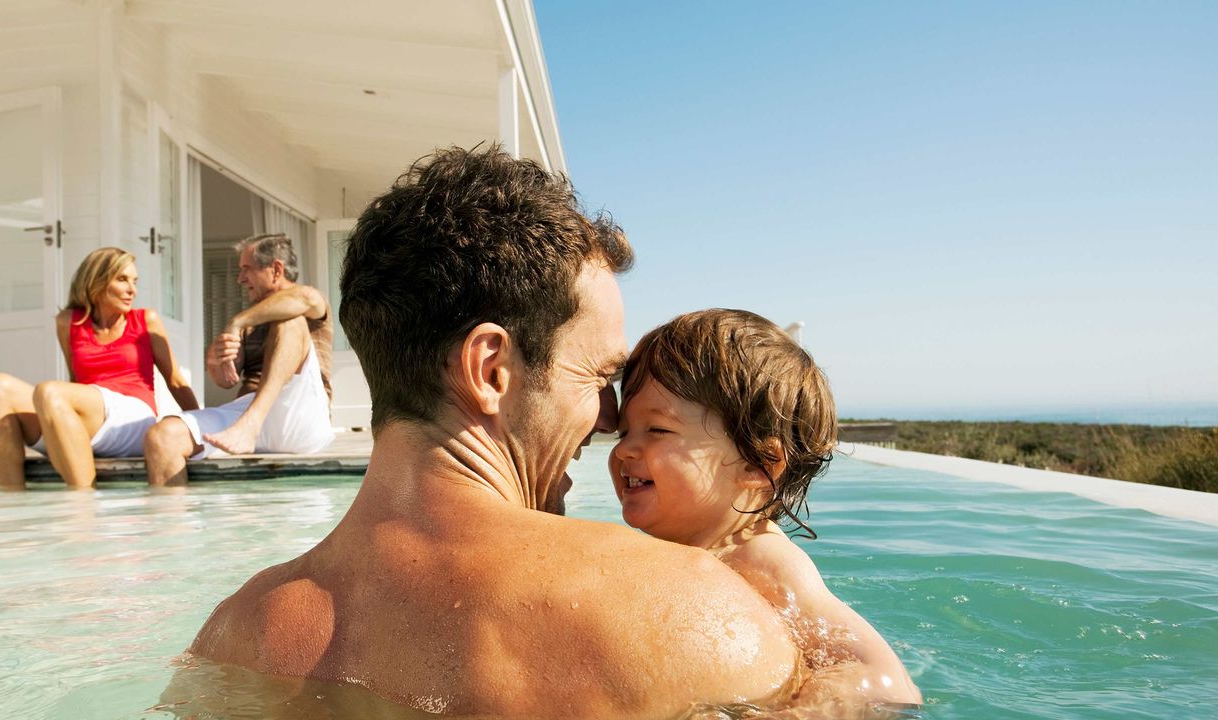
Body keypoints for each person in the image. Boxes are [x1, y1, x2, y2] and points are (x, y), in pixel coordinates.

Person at [186, 147, 805, 719]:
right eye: (598, 375)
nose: (613, 418)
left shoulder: (232, 635)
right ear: (490, 369)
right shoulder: (691, 614)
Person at [609, 308, 922, 714]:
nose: (623, 450)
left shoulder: (760, 559)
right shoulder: (695, 553)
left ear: (758, 465)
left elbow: (879, 678)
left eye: (657, 430)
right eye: (623, 431)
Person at [0, 247, 198, 490]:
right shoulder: (67, 321)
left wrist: (199, 430)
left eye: (134, 281)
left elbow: (175, 380)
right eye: (122, 280)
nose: (132, 290)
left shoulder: (146, 319)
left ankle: (82, 503)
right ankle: (10, 499)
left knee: (50, 391)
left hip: (133, 417)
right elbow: (76, 380)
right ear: (97, 280)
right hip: (91, 414)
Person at [143, 234, 334, 486]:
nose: (240, 278)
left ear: (276, 269)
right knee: (162, 436)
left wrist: (236, 322)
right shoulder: (250, 321)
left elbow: (305, 299)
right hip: (246, 412)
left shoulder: (309, 301)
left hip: (299, 415)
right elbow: (226, 381)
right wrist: (216, 362)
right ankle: (176, 523)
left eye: (247, 269)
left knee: (290, 320)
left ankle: (250, 424)